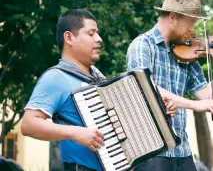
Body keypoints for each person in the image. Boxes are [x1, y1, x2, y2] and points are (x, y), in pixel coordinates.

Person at [21, 9, 175, 171]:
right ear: (69, 38)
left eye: (98, 33)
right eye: (91, 33)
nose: (99, 39)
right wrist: (75, 133)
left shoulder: (99, 77)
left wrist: (158, 109)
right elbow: (29, 124)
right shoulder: (56, 78)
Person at [126, 0, 213, 171]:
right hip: (152, 150)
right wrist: (194, 105)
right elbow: (146, 89)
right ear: (173, 17)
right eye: (191, 23)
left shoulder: (185, 53)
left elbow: (205, 94)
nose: (193, 30)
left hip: (182, 150)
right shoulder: (143, 45)